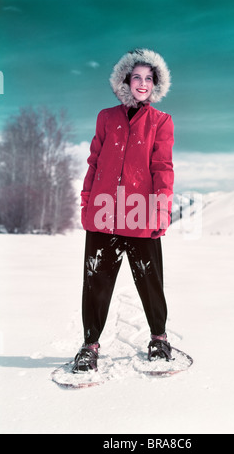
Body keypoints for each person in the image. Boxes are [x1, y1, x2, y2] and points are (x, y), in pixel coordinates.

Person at [72, 48, 174, 373]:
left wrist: (161, 210)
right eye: (137, 77)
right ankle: (90, 344)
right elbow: (94, 163)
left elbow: (162, 168)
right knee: (95, 282)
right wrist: (87, 202)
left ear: (154, 84)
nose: (142, 83)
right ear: (125, 81)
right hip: (103, 216)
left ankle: (158, 337)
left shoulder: (161, 122)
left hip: (141, 214)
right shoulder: (106, 117)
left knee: (150, 280)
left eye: (148, 78)